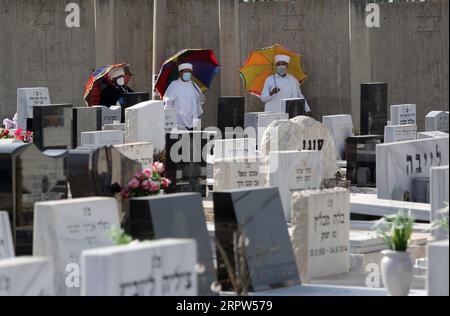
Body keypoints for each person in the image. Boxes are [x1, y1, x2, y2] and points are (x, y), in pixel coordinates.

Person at [163, 63, 205, 130]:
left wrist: (201, 98)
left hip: (193, 121)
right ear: (180, 73)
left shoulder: (194, 85)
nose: (187, 73)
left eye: (189, 71)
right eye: (185, 71)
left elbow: (199, 100)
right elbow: (168, 103)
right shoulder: (174, 85)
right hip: (178, 121)